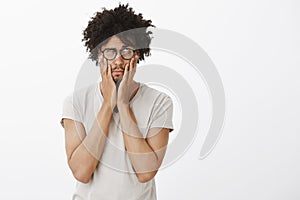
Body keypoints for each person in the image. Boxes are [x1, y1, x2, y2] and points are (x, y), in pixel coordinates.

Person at [60, 4, 174, 200]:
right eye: (110, 52)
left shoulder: (159, 102)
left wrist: (122, 105)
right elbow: (81, 172)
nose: (119, 61)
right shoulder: (75, 102)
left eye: (126, 51)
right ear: (99, 55)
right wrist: (107, 105)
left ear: (137, 55)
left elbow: (145, 172)